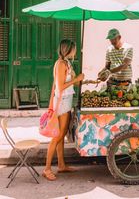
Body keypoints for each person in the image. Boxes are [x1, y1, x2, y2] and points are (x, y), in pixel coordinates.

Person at [42, 39, 85, 181]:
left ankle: (61, 165)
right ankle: (47, 169)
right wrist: (76, 79)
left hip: (66, 101)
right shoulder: (60, 64)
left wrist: (78, 79)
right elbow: (61, 86)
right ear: (67, 50)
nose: (75, 51)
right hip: (60, 103)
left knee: (62, 134)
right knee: (57, 136)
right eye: (73, 49)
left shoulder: (67, 62)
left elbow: (69, 83)